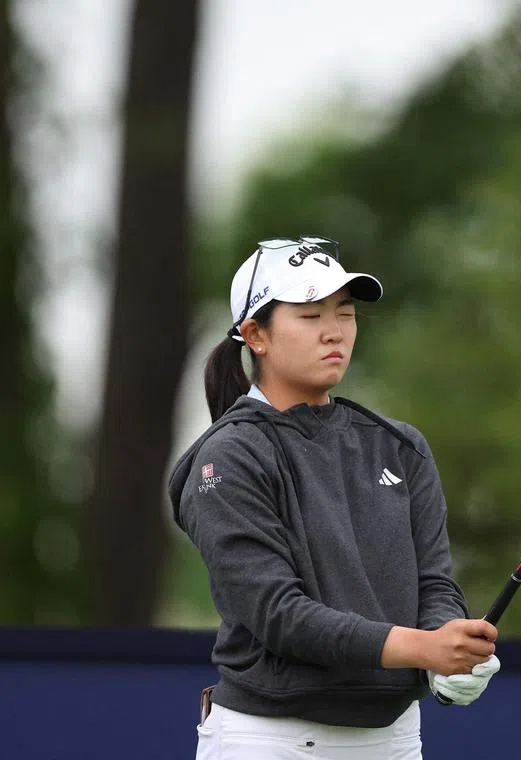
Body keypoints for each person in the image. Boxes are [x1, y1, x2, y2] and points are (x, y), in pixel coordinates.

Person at [169, 237, 502, 759]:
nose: (335, 332)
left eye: (345, 314)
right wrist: (423, 648)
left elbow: (433, 583)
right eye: (309, 315)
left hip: (393, 740)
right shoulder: (228, 457)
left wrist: (450, 648)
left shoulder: (399, 445)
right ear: (255, 334)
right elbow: (279, 614)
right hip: (270, 740)